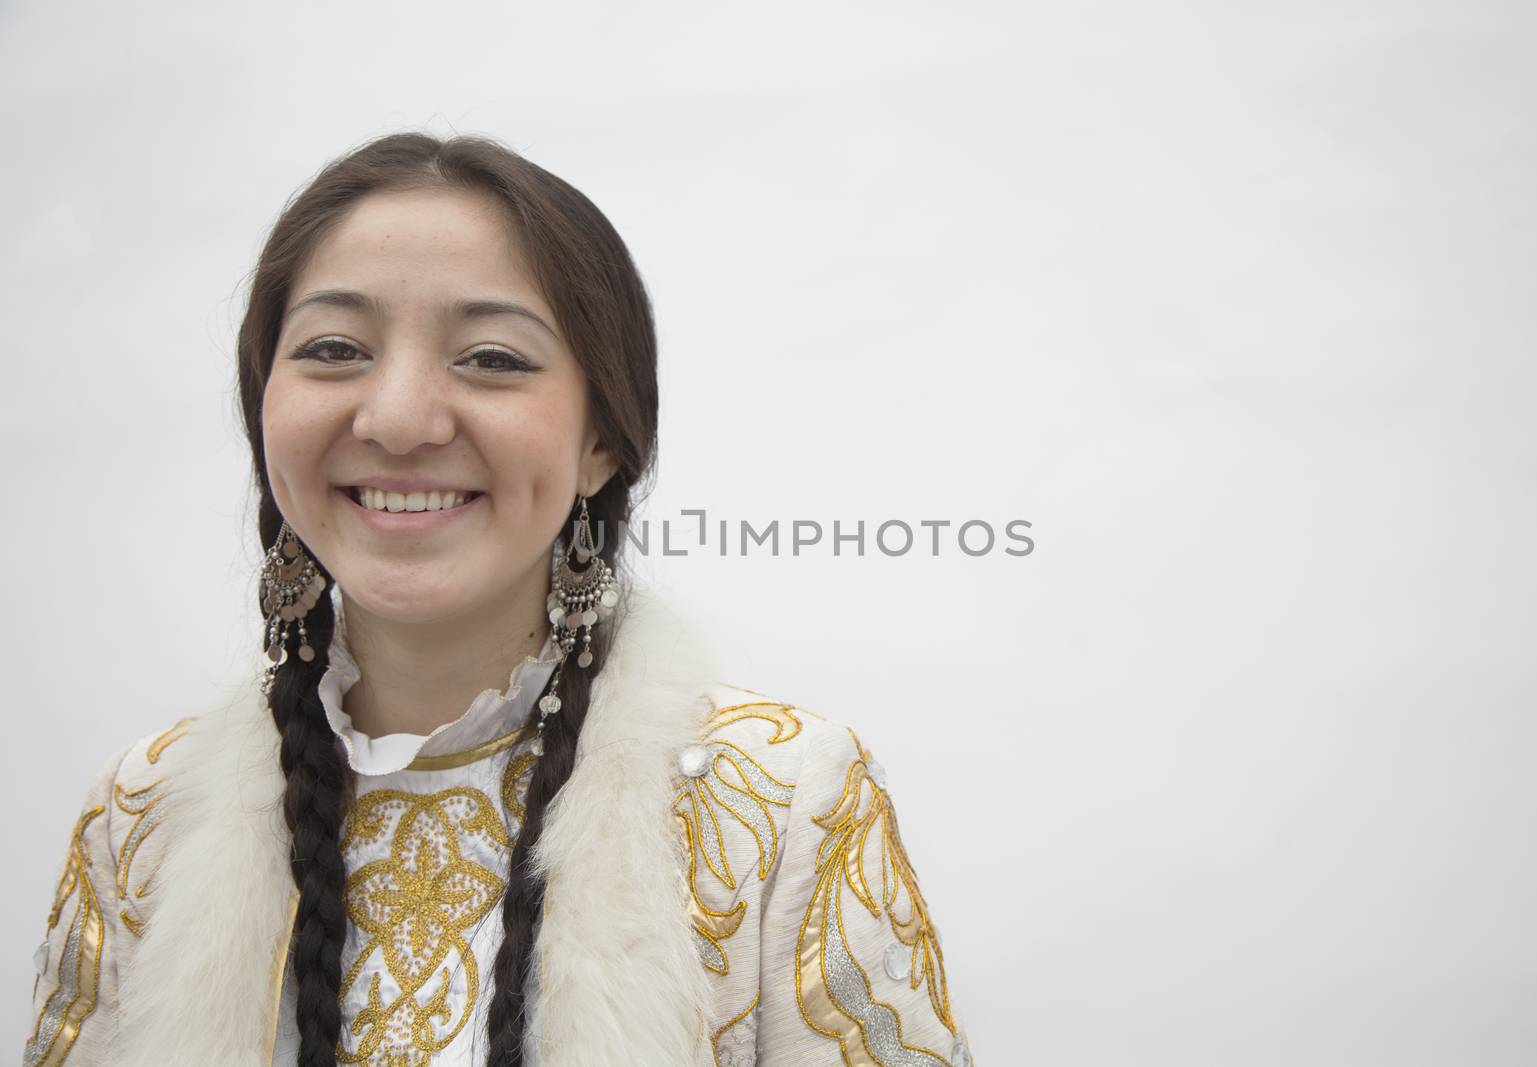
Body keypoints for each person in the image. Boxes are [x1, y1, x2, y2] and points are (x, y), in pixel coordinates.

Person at [22, 132, 975, 1067]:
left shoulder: (782, 803)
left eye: (491, 358)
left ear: (602, 439)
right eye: (335, 347)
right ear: (263, 408)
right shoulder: (144, 814)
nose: (396, 418)